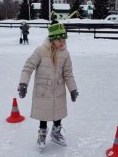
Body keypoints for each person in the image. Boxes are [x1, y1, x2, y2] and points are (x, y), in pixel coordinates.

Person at [18, 20, 79, 149]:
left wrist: (73, 89)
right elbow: (28, 67)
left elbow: (68, 73)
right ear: (52, 39)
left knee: (58, 112)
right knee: (44, 114)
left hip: (58, 88)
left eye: (64, 39)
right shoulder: (41, 51)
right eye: (59, 40)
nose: (62, 43)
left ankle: (56, 133)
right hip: (43, 89)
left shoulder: (65, 53)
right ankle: (42, 134)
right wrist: (23, 83)